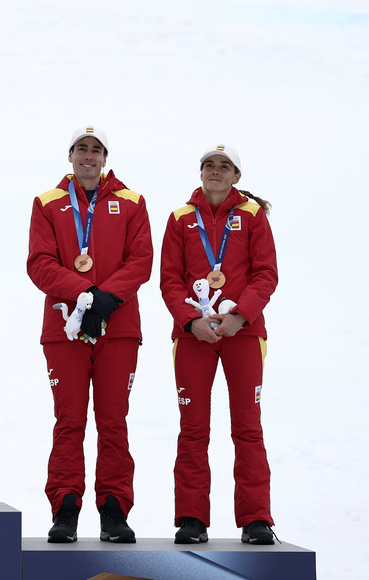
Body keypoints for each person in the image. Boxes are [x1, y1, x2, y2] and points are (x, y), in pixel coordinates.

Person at [26, 127, 153, 543]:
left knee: (113, 421)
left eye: (96, 150)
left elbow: (141, 261)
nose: (88, 156)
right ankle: (66, 507)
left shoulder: (132, 202)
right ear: (70, 156)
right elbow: (39, 263)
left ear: (105, 159)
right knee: (69, 421)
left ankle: (114, 510)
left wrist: (103, 302)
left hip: (117, 330)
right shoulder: (47, 204)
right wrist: (84, 297)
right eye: (82, 148)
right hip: (65, 329)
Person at [159, 145, 278, 545]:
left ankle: (256, 519)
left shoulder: (252, 216)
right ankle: (192, 519)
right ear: (201, 173)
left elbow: (266, 274)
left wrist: (240, 315)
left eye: (224, 166)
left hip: (242, 334)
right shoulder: (179, 219)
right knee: (192, 429)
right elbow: (170, 280)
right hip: (194, 336)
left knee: (247, 427)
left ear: (236, 177)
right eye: (209, 165)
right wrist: (190, 320)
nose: (215, 171)